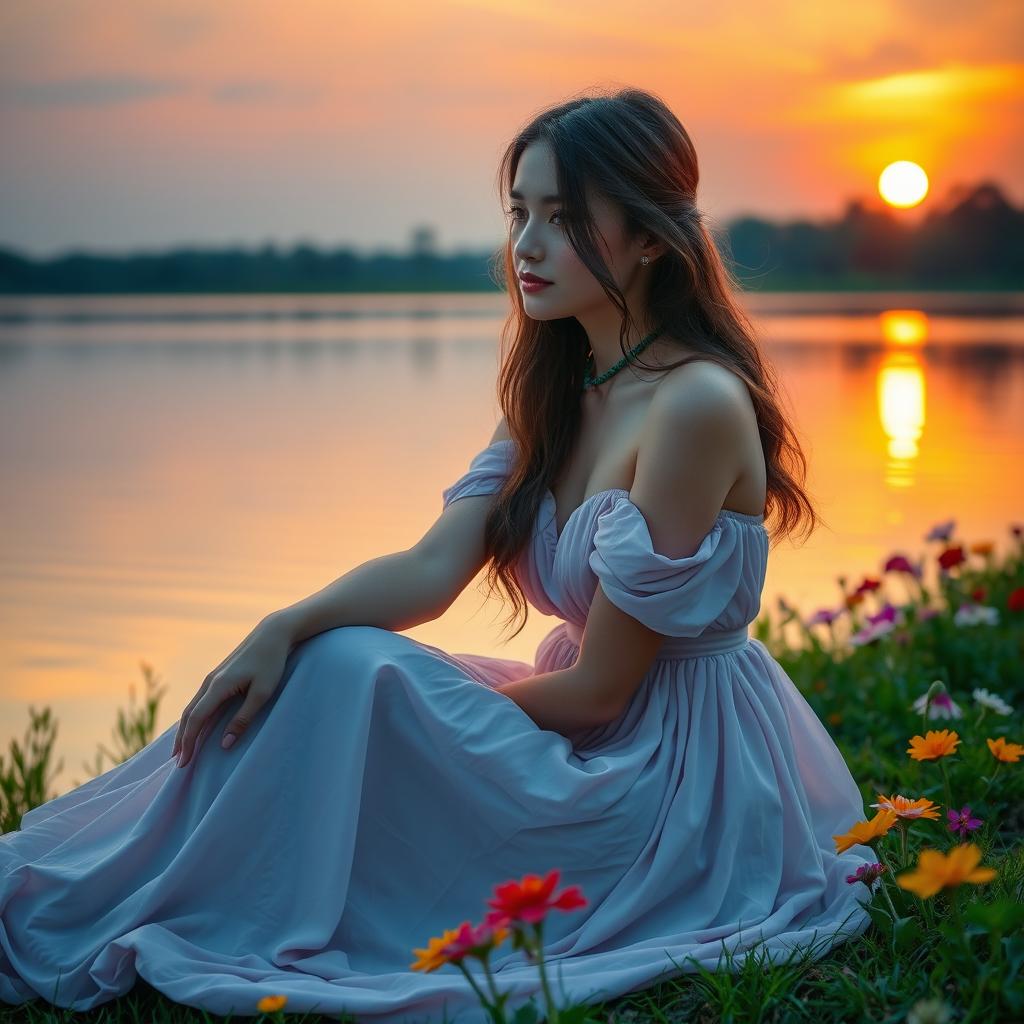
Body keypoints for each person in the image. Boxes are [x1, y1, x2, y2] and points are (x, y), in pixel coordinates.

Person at [0, 87, 876, 1021]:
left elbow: (603, 693)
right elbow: (427, 573)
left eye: (565, 218)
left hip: (670, 776)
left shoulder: (693, 404)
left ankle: (149, 891)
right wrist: (282, 624)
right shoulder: (557, 389)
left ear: (653, 237)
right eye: (520, 214)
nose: (527, 246)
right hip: (587, 726)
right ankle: (106, 881)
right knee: (322, 663)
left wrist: (417, 711)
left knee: (355, 679)